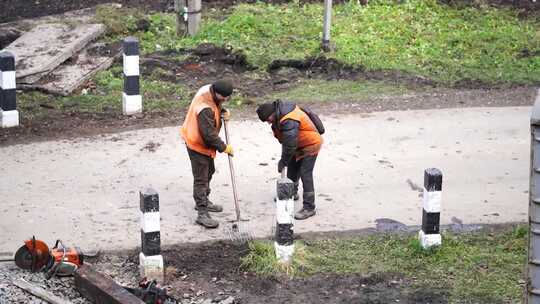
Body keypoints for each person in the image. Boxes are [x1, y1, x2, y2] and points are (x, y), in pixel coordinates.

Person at [256, 100, 323, 220]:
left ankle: (309, 207)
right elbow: (287, 142)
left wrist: (283, 161)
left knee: (305, 173)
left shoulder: (289, 120)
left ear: (272, 113)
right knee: (292, 168)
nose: (268, 122)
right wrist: (286, 160)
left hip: (311, 144)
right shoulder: (280, 115)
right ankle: (291, 193)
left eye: (267, 119)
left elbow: (289, 144)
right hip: (298, 145)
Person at [180, 80, 234, 228]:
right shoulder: (204, 108)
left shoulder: (209, 90)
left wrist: (221, 110)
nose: (225, 100)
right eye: (223, 97)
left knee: (209, 171)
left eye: (227, 97)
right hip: (196, 143)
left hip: (204, 143)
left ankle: (205, 200)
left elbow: (214, 106)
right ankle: (202, 213)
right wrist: (223, 147)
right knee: (201, 179)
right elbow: (209, 135)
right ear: (216, 92)